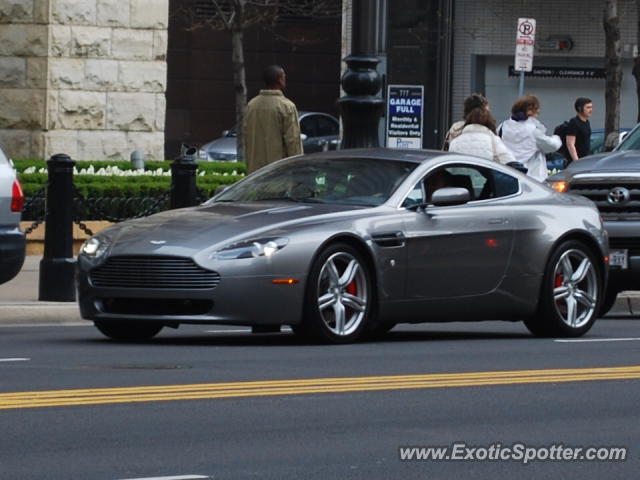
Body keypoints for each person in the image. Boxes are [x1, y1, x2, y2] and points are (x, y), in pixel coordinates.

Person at [244, 65, 303, 174]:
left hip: (255, 174)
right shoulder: (287, 106)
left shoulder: (251, 105)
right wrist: (297, 169)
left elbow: (247, 139)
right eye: (284, 76)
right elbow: (293, 142)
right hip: (278, 173)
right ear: (280, 80)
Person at [499, 95, 562, 182]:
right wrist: (556, 137)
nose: (538, 114)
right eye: (537, 112)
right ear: (530, 111)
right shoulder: (533, 131)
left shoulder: (502, 127)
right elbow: (552, 145)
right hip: (532, 178)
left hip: (507, 175)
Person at [448, 107, 515, 164]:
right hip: (487, 179)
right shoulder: (493, 141)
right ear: (489, 122)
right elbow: (509, 161)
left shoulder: (455, 142)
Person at [565, 97, 593, 163]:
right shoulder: (574, 122)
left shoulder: (587, 122)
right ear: (580, 109)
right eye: (588, 107)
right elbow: (570, 144)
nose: (591, 110)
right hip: (576, 162)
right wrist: (577, 162)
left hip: (586, 160)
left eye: (591, 107)